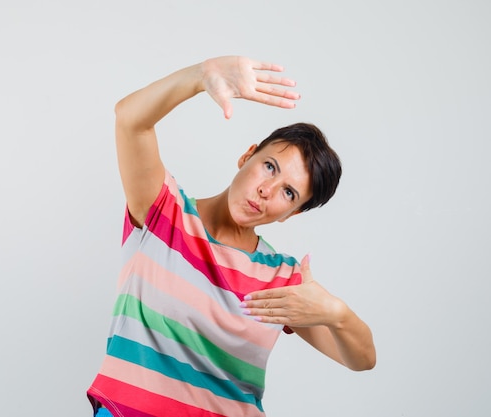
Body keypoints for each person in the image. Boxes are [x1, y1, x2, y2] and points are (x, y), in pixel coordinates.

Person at [86, 56, 376, 417]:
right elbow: (129, 119)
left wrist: (336, 313)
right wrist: (199, 76)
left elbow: (363, 360)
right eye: (269, 167)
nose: (268, 190)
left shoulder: (280, 279)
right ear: (247, 156)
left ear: (292, 214)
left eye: (289, 193)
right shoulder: (164, 212)